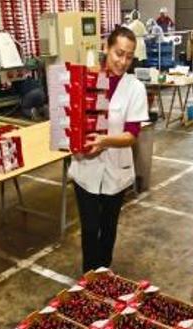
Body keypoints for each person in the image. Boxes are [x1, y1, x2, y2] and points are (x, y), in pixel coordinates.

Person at [69, 27, 149, 273]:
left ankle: (104, 276)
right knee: (90, 228)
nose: (123, 61)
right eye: (118, 53)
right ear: (106, 48)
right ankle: (88, 279)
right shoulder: (87, 80)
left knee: (108, 227)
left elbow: (131, 135)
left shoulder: (135, 88)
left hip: (116, 168)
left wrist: (104, 142)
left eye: (129, 56)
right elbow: (72, 118)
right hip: (86, 167)